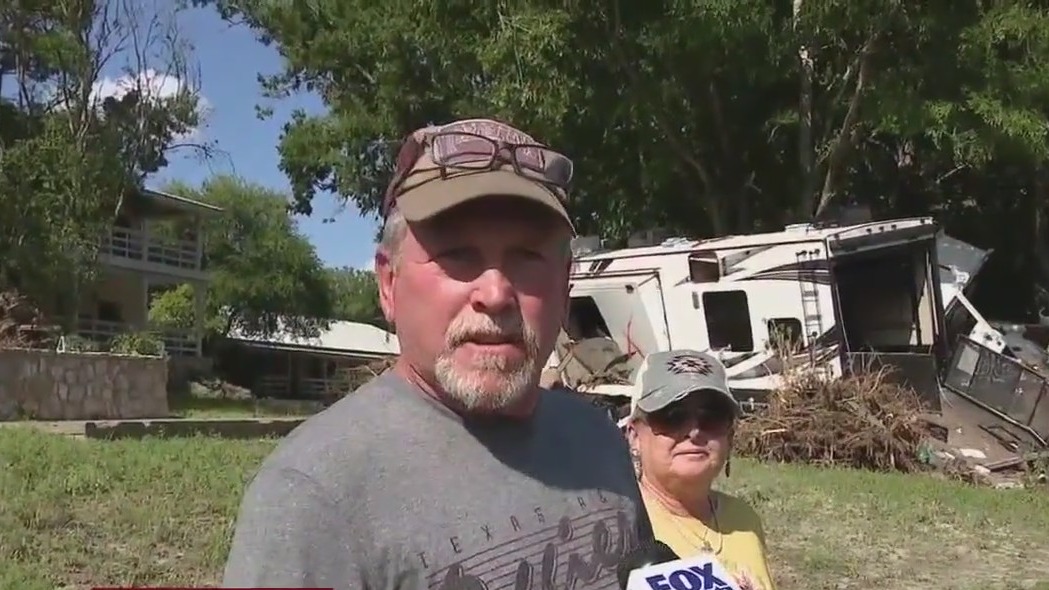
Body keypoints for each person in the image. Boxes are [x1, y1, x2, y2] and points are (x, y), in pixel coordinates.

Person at [222, 117, 654, 590]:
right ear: (389, 284)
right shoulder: (313, 495)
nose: (495, 292)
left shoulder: (599, 440)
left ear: (566, 285)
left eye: (528, 258)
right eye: (457, 256)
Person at [623, 349, 776, 590]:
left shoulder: (744, 520)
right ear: (634, 436)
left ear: (730, 435)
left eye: (712, 417)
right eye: (672, 415)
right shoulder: (618, 526)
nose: (694, 432)